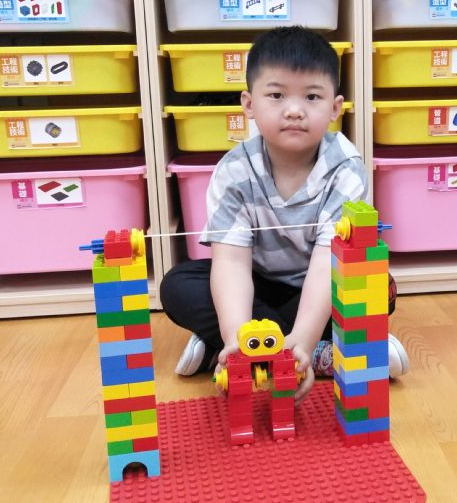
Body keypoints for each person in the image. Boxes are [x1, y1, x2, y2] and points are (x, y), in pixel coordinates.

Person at [160, 26, 408, 404]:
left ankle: (290, 349)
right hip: (257, 283)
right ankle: (272, 348)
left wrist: (303, 339)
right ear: (249, 104)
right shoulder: (234, 171)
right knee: (177, 285)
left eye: (312, 96)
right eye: (276, 95)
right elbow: (231, 264)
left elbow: (327, 265)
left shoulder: (345, 168)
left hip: (316, 285)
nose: (294, 109)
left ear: (335, 108)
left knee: (375, 288)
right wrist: (237, 337)